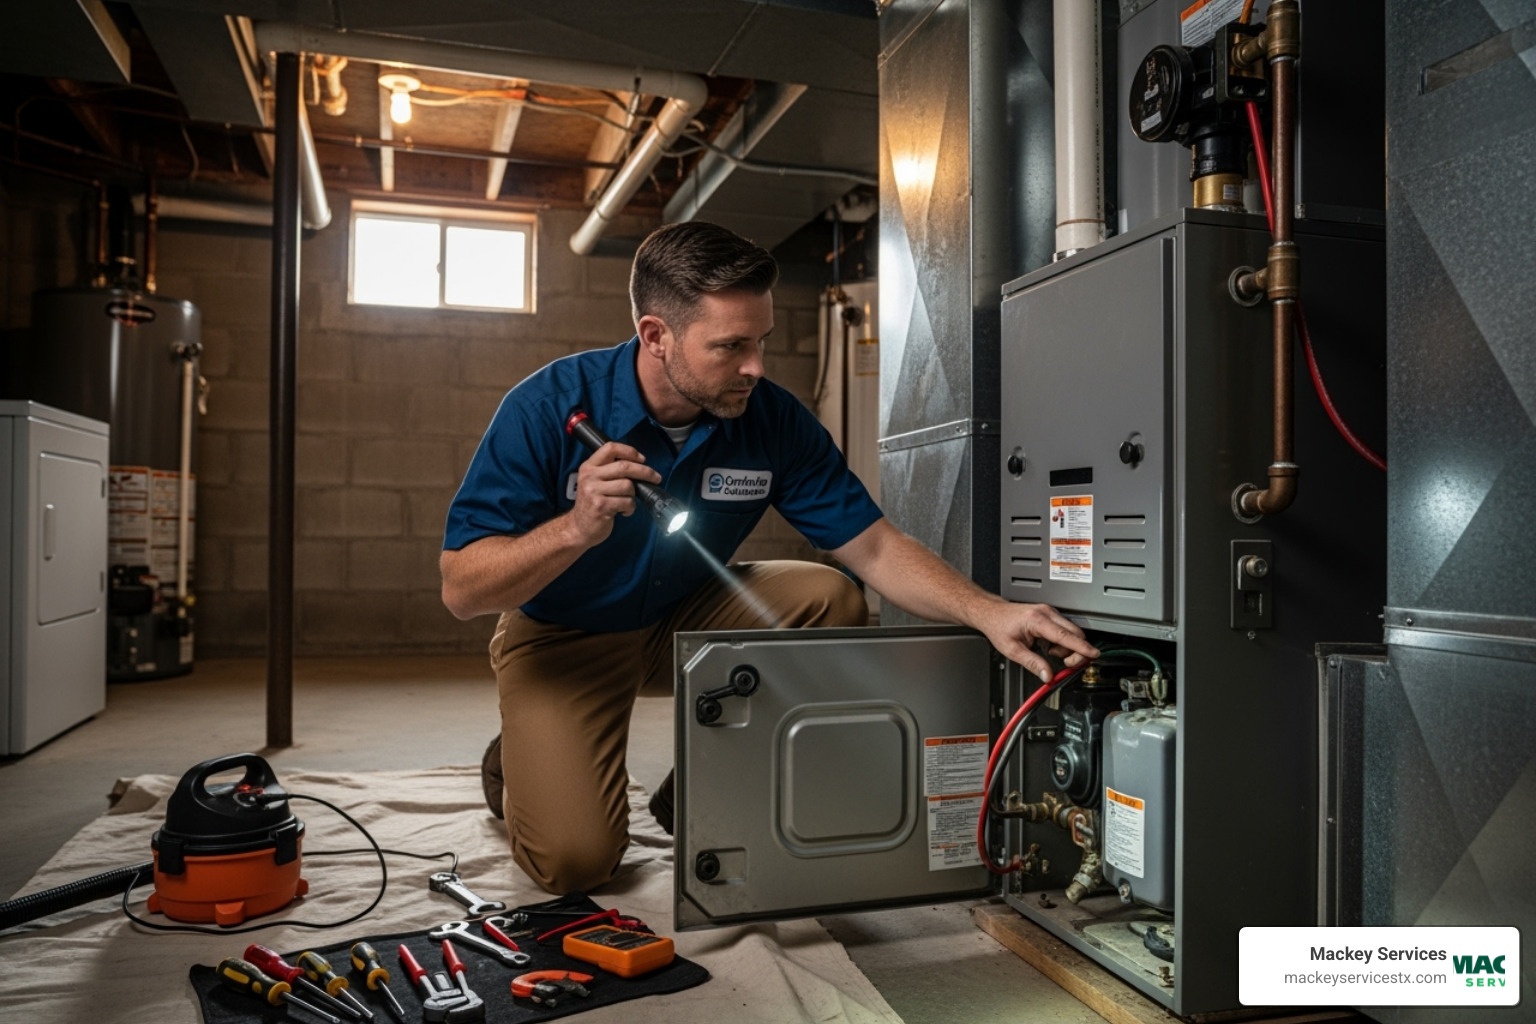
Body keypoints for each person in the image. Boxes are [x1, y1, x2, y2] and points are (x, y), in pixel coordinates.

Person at [440, 221, 1097, 895]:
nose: (756, 366)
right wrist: (573, 529)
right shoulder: (544, 409)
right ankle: (517, 763)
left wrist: (989, 613)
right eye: (731, 346)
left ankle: (698, 790)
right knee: (577, 864)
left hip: (685, 620)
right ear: (656, 336)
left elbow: (871, 545)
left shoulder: (770, 418)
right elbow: (462, 587)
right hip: (562, 638)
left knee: (830, 596)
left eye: (762, 342)